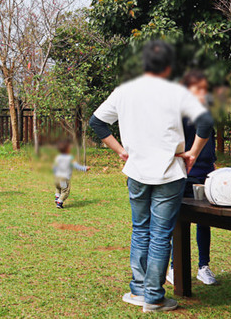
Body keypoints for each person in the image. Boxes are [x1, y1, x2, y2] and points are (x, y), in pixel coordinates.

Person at [89, 40, 214, 313]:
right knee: (160, 235)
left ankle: (139, 290)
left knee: (140, 230)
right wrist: (193, 153)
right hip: (169, 172)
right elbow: (205, 122)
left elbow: (96, 122)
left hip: (136, 171)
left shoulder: (123, 92)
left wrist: (122, 151)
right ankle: (154, 297)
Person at [167, 70, 218, 286]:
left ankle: (203, 266)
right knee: (175, 220)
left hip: (204, 174)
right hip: (179, 174)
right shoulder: (175, 113)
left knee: (203, 221)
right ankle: (173, 266)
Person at [53, 139, 90, 209]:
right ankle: (59, 202)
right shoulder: (70, 158)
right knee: (65, 191)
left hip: (56, 177)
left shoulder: (57, 157)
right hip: (64, 178)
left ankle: (57, 196)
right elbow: (76, 166)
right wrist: (85, 168)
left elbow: (54, 167)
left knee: (58, 187)